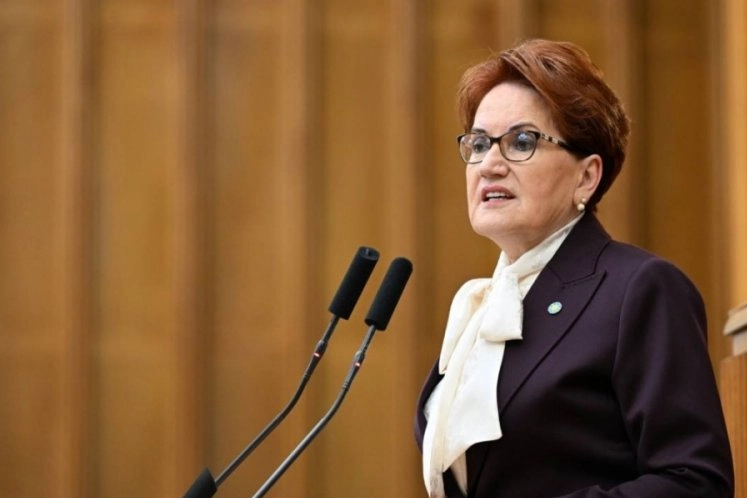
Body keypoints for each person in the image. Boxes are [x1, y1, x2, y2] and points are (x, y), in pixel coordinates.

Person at [414, 38, 734, 498]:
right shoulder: (478, 311)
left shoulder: (640, 290)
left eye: (521, 142)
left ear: (586, 176)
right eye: (479, 144)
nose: (489, 165)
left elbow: (695, 482)